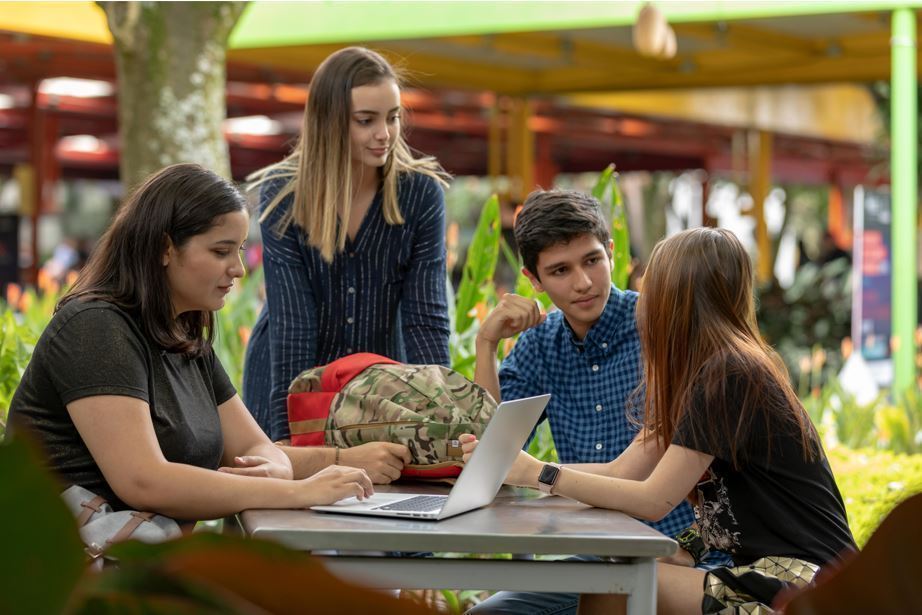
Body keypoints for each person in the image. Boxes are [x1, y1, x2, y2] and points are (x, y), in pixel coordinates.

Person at [465, 227, 856, 614]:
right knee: (610, 575)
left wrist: (540, 474)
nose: (640, 300)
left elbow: (653, 500)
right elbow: (623, 472)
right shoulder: (709, 371)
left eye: (650, 287)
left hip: (804, 581)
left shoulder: (728, 375)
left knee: (613, 587)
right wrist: (513, 469)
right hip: (759, 568)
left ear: (678, 299)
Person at [7, 164, 375, 523]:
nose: (238, 269)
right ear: (165, 248)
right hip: (74, 572)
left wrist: (276, 468)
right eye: (220, 251)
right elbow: (144, 481)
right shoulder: (94, 327)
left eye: (239, 250)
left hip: (146, 559)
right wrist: (299, 492)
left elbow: (254, 445)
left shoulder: (185, 339)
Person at [469, 189, 699, 614]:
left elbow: (634, 476)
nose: (583, 282)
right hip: (596, 553)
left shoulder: (659, 328)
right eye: (560, 270)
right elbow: (490, 453)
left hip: (679, 552)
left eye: (592, 260)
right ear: (533, 279)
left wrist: (531, 472)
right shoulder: (539, 344)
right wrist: (486, 344)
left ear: (611, 252)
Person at [242, 46, 452, 454]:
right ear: (330, 123)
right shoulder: (283, 194)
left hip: (376, 382)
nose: (385, 134)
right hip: (288, 377)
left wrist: (442, 417)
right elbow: (292, 323)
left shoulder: (420, 194)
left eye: (393, 117)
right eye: (365, 121)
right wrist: (291, 434)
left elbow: (426, 319)